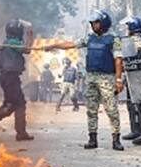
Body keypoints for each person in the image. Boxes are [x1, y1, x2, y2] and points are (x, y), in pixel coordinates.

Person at [45, 10, 124, 151]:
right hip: (91, 77)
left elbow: (118, 60)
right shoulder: (89, 38)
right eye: (92, 23)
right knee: (91, 110)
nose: (93, 25)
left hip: (107, 78)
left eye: (96, 22)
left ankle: (116, 139)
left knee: (111, 109)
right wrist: (54, 46)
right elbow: (71, 44)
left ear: (103, 23)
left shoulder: (113, 39)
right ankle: (92, 138)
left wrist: (118, 80)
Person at [0, 19, 36, 141]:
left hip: (8, 77)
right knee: (11, 106)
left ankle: (20, 132)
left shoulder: (7, 43)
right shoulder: (13, 42)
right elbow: (27, 49)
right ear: (18, 32)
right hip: (11, 78)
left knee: (16, 104)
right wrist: (30, 33)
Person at [120, 16, 141, 147]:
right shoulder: (132, 40)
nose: (126, 30)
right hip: (132, 76)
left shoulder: (138, 41)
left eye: (128, 28)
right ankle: (137, 131)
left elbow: (140, 56)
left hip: (140, 77)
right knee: (132, 104)